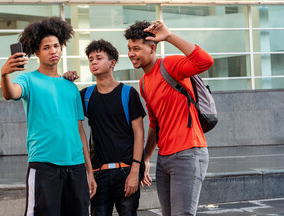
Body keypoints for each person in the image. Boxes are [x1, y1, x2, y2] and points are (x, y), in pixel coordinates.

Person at [0, 17, 96, 216]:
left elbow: (79, 131)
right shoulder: (28, 79)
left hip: (76, 167)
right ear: (36, 52)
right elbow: (11, 93)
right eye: (46, 47)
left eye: (56, 46)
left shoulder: (70, 86)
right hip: (44, 166)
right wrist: (4, 75)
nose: (53, 51)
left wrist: (89, 171)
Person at [124, 20, 214, 216]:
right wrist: (146, 158)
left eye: (137, 48)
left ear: (152, 48)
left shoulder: (170, 65)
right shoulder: (143, 82)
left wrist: (169, 36)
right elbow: (155, 124)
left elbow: (205, 61)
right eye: (130, 49)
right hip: (164, 158)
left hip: (188, 153)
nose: (131, 54)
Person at [64, 39, 146, 216]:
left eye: (98, 58)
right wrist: (65, 81)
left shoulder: (128, 94)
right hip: (98, 174)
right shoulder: (86, 95)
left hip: (126, 171)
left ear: (112, 63)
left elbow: (139, 134)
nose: (93, 62)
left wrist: (135, 171)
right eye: (91, 59)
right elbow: (65, 105)